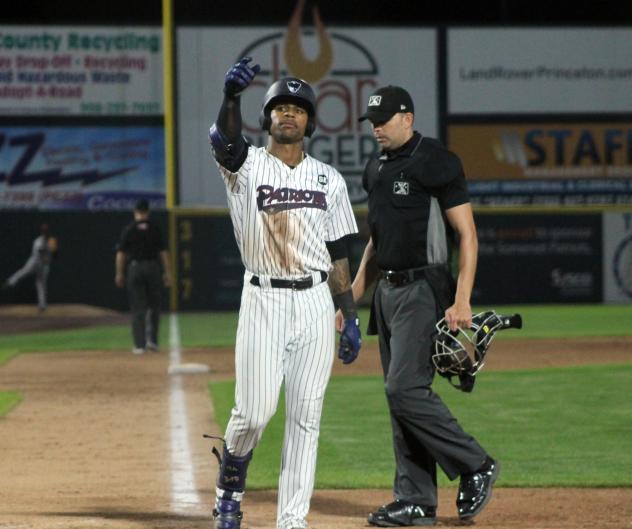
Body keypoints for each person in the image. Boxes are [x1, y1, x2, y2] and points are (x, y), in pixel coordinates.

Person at [207, 57, 361, 529]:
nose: (289, 113)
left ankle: (292, 521)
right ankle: (231, 481)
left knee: (306, 418)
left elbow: (338, 253)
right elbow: (226, 141)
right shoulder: (247, 167)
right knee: (254, 412)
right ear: (266, 118)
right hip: (263, 298)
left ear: (311, 122)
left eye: (298, 107)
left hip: (315, 301)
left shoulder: (329, 180)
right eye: (280, 106)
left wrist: (348, 313)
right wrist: (231, 97)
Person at [344, 85, 500, 526]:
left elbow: (467, 235)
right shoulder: (374, 169)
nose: (376, 127)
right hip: (386, 293)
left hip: (423, 288)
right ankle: (415, 499)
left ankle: (475, 464)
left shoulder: (436, 161)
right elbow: (377, 237)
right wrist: (355, 291)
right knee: (399, 398)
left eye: (384, 119)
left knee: (404, 389)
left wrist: (462, 299)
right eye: (372, 120)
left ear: (408, 118)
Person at [114, 199, 171, 354]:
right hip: (153, 268)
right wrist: (167, 272)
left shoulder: (129, 229)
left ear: (135, 211)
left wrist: (119, 273)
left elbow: (120, 254)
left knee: (138, 308)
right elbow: (163, 253)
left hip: (135, 268)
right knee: (154, 306)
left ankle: (140, 345)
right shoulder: (154, 228)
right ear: (148, 211)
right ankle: (152, 341)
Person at [3, 223, 57, 311]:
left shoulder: (52, 241)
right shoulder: (38, 240)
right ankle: (10, 282)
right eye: (44, 230)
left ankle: (42, 305)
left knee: (41, 284)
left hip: (44, 266)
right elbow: (40, 251)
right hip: (34, 263)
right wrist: (47, 256)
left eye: (46, 230)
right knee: (23, 272)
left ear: (49, 231)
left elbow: (55, 255)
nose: (45, 231)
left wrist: (54, 250)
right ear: (42, 231)